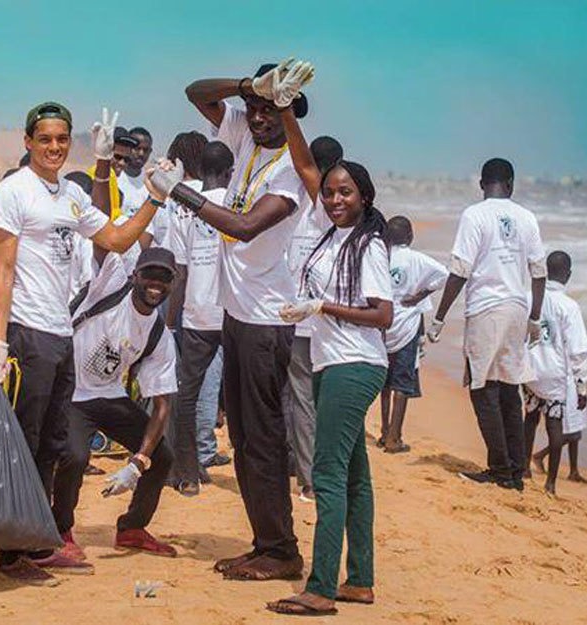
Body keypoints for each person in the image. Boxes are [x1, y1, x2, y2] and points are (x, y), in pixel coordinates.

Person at [150, 58, 315, 581]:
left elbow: (244, 227)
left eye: (271, 110)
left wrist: (179, 192)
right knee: (244, 439)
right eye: (254, 109)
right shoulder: (242, 133)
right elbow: (195, 89)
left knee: (263, 437)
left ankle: (282, 550)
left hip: (267, 322)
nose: (259, 118)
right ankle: (266, 542)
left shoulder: (289, 167)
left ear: (289, 114)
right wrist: (249, 87)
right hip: (237, 316)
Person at [0, 102, 162, 584]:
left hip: (60, 334)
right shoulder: (10, 193)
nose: (54, 147)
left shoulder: (69, 197)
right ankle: (10, 553)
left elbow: (119, 239)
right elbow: (1, 271)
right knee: (23, 442)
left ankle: (37, 543)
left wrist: (155, 198)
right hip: (27, 332)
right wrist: (0, 342)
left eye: (62, 139)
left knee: (50, 445)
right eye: (44, 139)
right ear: (28, 142)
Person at [269, 158, 393, 617]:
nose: (336, 200)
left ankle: (320, 587)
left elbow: (383, 315)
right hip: (330, 362)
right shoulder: (332, 236)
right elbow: (305, 170)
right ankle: (359, 581)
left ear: (364, 196)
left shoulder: (369, 246)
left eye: (345, 192)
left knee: (327, 474)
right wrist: (310, 309)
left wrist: (323, 307)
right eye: (329, 193)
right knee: (356, 477)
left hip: (353, 365)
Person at [53, 247, 180, 562]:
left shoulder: (159, 336)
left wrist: (137, 464)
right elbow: (106, 229)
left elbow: (162, 405)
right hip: (73, 392)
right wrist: (153, 200)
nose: (155, 284)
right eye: (149, 275)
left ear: (172, 284)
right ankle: (61, 530)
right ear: (134, 275)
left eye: (164, 279)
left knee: (161, 457)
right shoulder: (110, 286)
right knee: (75, 456)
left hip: (109, 396)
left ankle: (132, 528)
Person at [428, 157, 547, 491]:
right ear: (510, 184)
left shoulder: (474, 215)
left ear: (482, 184)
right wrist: (535, 317)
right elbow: (539, 272)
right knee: (509, 390)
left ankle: (499, 470)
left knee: (484, 390)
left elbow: (460, 269)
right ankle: (515, 471)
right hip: (517, 310)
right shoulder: (527, 217)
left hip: (485, 311)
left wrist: (439, 317)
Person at [166, 140, 232, 495]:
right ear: (229, 172)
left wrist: (169, 322)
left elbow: (180, 269)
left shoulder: (181, 207)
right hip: (233, 313)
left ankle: (188, 473)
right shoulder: (237, 204)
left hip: (195, 314)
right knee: (239, 399)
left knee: (186, 396)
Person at [283, 135, 342, 502]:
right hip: (328, 318)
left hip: (293, 315)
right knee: (320, 399)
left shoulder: (288, 201)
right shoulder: (339, 208)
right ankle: (316, 474)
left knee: (300, 399)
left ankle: (306, 476)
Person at [522, 251, 587, 495]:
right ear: (568, 275)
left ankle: (523, 469)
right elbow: (578, 350)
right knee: (554, 426)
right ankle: (550, 483)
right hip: (555, 373)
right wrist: (581, 387)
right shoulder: (569, 306)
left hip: (530, 370)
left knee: (529, 420)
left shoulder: (529, 297)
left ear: (546, 272)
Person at [379, 216, 447, 453]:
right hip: (406, 328)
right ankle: (394, 438)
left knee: (384, 385)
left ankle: (384, 431)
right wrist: (419, 295)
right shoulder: (416, 259)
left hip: (381, 326)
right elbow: (444, 275)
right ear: (410, 237)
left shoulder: (380, 257)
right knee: (402, 384)